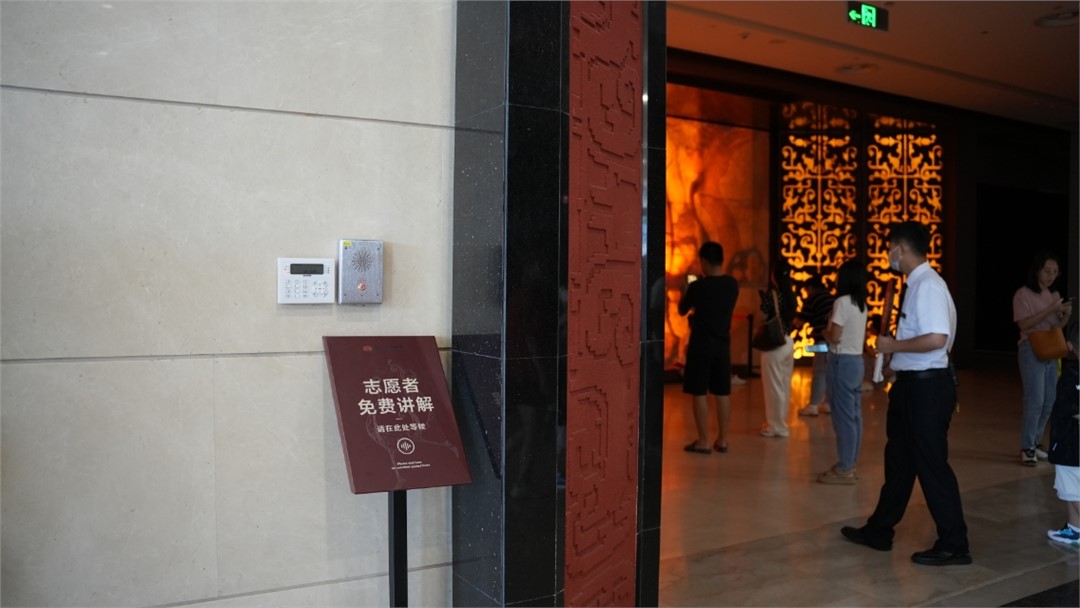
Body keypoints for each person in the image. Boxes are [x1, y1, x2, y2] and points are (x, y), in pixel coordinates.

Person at [840, 221, 971, 566]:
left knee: (931, 464)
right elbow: (924, 341)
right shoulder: (916, 284)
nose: (888, 254)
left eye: (890, 248)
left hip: (926, 390)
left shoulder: (927, 286)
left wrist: (892, 346)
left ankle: (955, 543)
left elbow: (937, 339)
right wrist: (895, 363)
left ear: (901, 248)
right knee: (899, 462)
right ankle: (879, 530)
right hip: (913, 384)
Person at [1012, 251, 1073, 466]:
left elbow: (1055, 327)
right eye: (1047, 271)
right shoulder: (1023, 294)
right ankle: (1027, 447)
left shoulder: (1053, 295)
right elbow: (1024, 324)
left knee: (1049, 400)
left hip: (1050, 350)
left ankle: (1035, 442)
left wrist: (1065, 314)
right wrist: (1051, 309)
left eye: (1055, 272)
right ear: (1037, 270)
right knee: (1035, 400)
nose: (1051, 276)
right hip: (1031, 348)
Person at [679, 241, 740, 454]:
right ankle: (722, 440)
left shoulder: (697, 287)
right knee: (722, 391)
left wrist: (686, 291)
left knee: (699, 391)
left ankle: (703, 441)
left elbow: (682, 310)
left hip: (700, 345)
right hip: (722, 344)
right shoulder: (732, 285)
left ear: (704, 261)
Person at [817, 260, 869, 484]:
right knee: (854, 415)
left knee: (843, 417)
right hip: (856, 361)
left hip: (841, 362)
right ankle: (850, 462)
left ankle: (845, 467)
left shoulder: (841, 302)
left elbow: (835, 336)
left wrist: (824, 332)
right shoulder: (862, 305)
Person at [1047, 319, 1080, 546]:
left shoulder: (1071, 376)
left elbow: (1071, 410)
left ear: (1069, 346)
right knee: (1072, 490)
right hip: (1070, 445)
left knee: (1071, 489)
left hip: (1070, 446)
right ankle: (1074, 529)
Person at [759, 258, 796, 438]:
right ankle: (781, 422)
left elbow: (763, 315)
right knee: (783, 385)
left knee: (773, 387)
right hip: (788, 342)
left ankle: (776, 426)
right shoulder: (791, 294)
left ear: (774, 275)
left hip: (774, 344)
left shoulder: (772, 294)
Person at [797, 278, 836, 417]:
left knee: (819, 371)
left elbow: (800, 321)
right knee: (830, 373)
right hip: (834, 343)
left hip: (821, 341)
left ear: (811, 288)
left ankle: (813, 405)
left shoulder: (813, 299)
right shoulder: (832, 298)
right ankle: (828, 403)